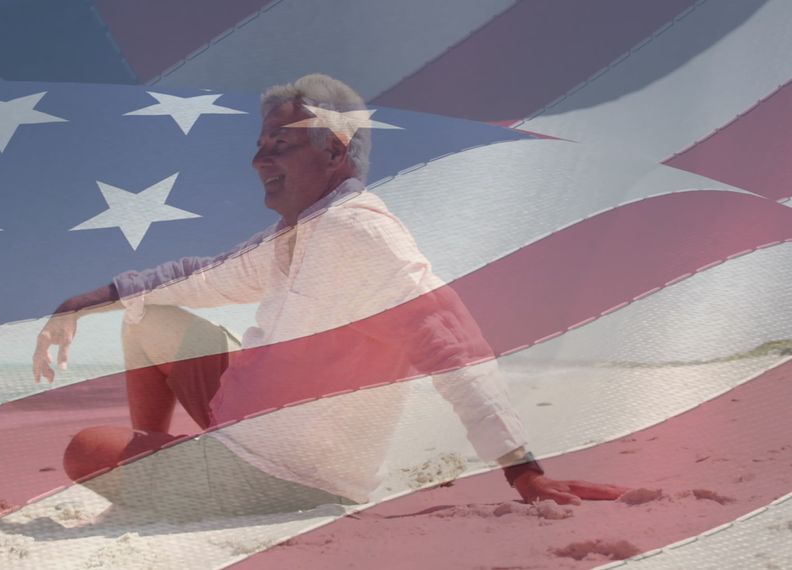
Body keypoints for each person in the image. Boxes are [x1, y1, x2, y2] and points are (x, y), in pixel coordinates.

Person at [33, 74, 626, 521]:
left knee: (84, 450)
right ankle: (169, 462)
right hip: (244, 420)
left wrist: (523, 470)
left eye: (280, 143)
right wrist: (82, 302)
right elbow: (204, 276)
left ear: (336, 152)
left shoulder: (359, 232)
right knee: (147, 317)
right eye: (260, 143)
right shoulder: (298, 232)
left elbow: (454, 349)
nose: (258, 158)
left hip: (287, 471)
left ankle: (171, 475)